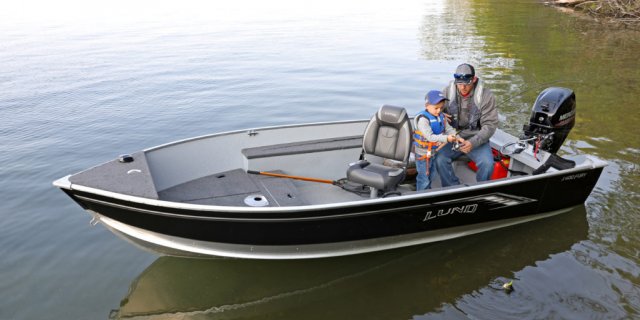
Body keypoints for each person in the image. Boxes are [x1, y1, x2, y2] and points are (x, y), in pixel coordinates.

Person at [435, 63, 499, 186]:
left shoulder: (486, 96)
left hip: (476, 139)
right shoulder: (446, 92)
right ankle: (452, 187)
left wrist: (473, 142)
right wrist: (439, 114)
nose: (463, 87)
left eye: (467, 83)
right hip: (453, 138)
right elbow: (432, 110)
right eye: (459, 83)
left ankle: (480, 189)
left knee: (487, 164)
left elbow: (490, 126)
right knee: (440, 159)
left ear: (474, 79)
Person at [413, 90, 461, 190]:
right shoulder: (423, 120)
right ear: (427, 106)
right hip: (423, 155)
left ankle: (427, 192)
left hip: (434, 152)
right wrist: (446, 138)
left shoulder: (441, 116)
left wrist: (455, 136)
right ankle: (421, 197)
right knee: (424, 178)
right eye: (436, 108)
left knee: (432, 176)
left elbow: (448, 129)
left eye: (441, 108)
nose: (439, 111)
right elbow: (430, 137)